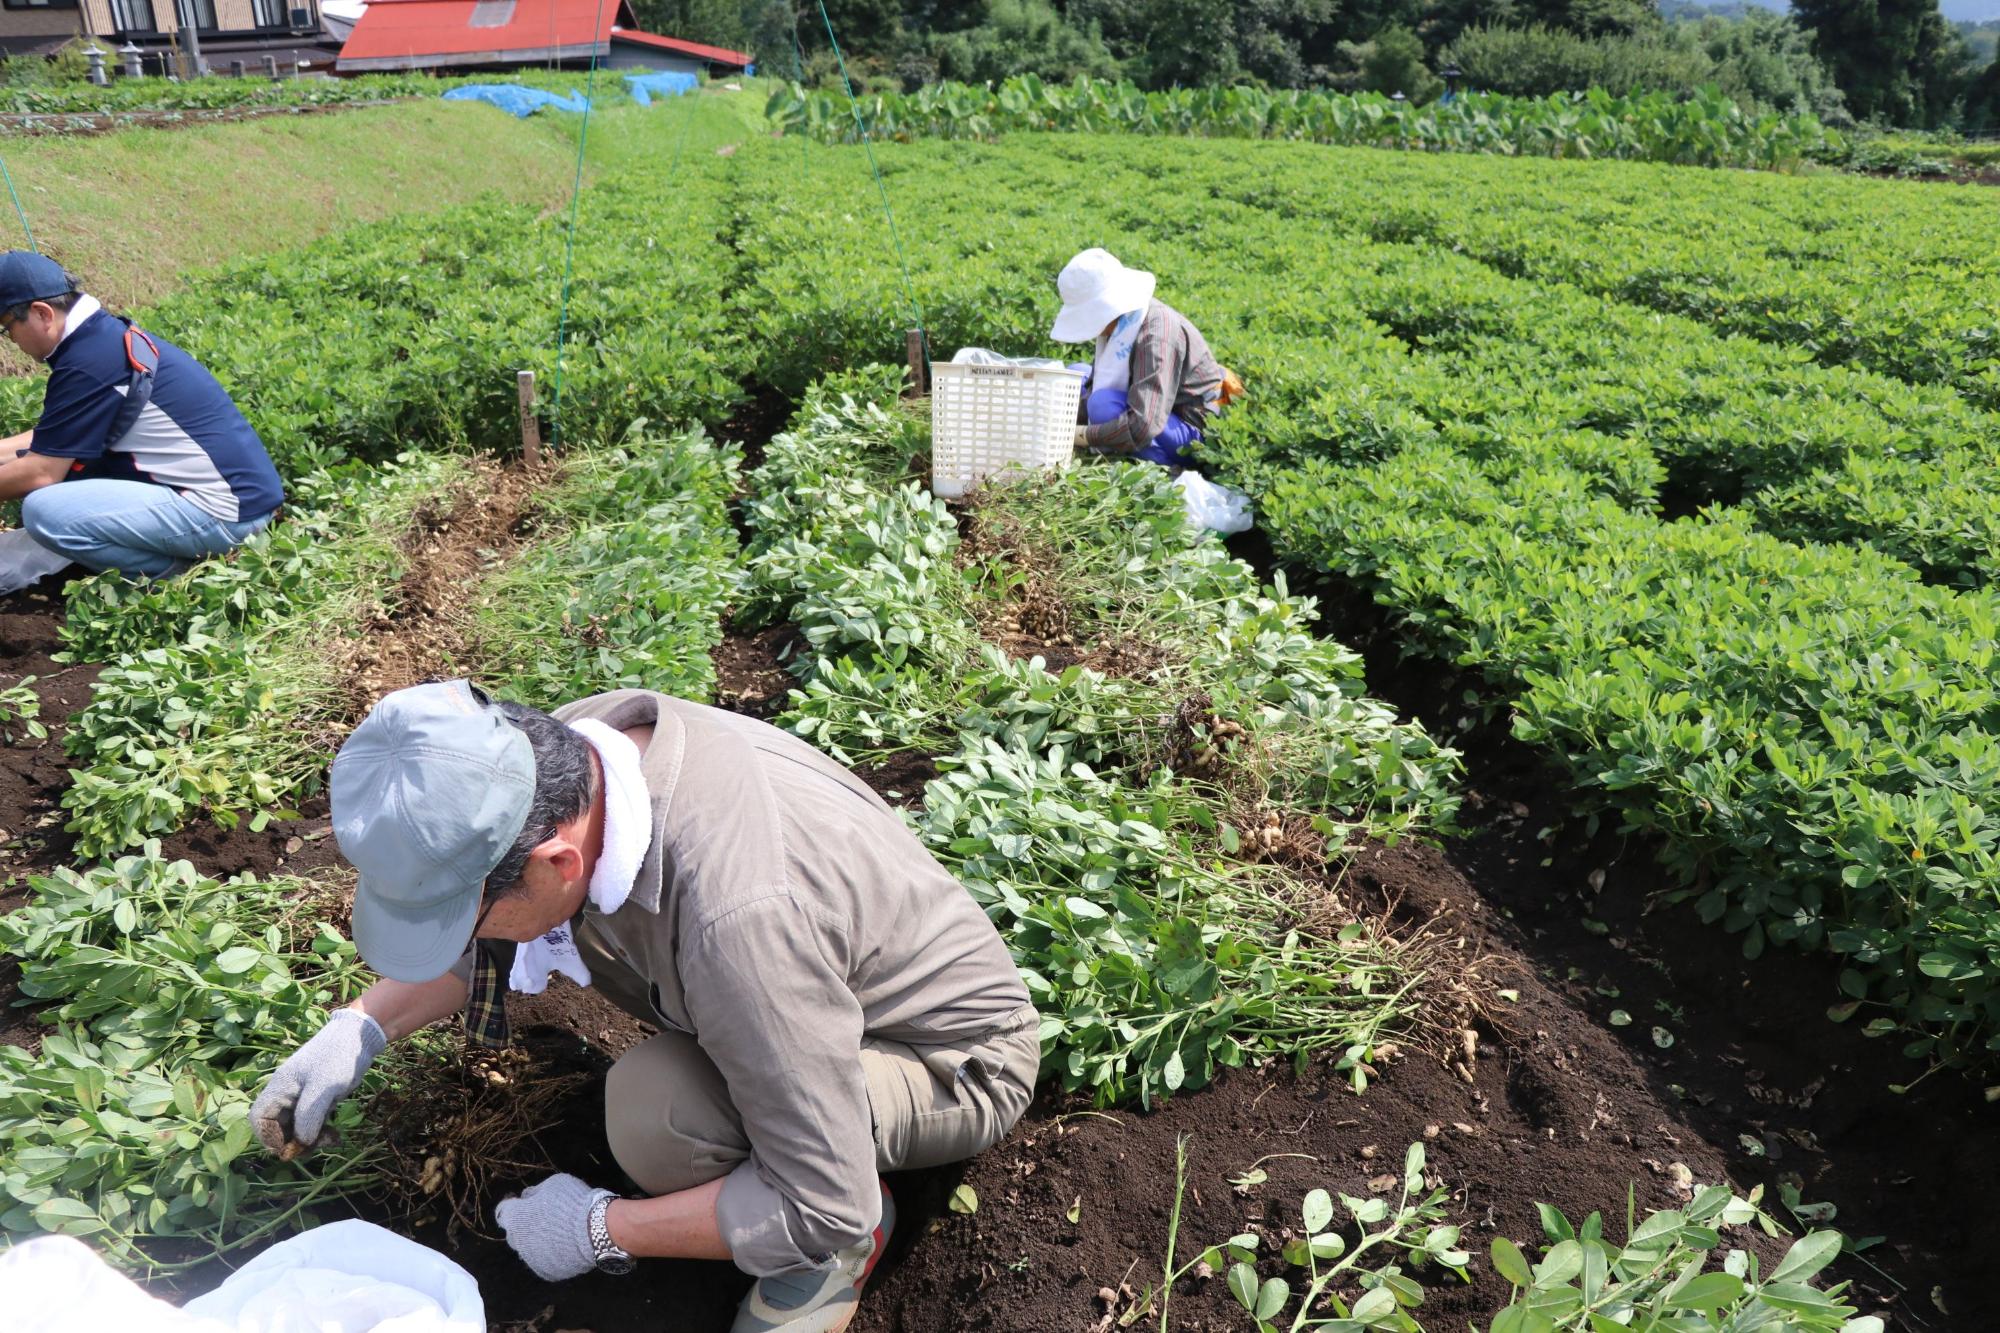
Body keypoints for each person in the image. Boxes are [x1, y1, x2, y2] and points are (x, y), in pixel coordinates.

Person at [250, 680, 1040, 1333]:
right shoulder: (564, 763)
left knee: (660, 1117)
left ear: (556, 866)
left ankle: (832, 1260)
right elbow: (497, 928)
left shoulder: (740, 924)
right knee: (663, 1091)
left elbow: (821, 1200)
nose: (467, 939)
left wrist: (600, 1227)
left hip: (943, 1059)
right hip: (797, 998)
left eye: (467, 918)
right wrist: (360, 1026)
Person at [0, 250, 284, 593]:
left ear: (42, 313)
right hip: (243, 499)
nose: (12, 341)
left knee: (46, 513)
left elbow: (41, 473)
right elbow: (53, 438)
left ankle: (176, 579)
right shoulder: (99, 338)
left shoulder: (88, 361)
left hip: (225, 513)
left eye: (7, 329)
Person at [1051, 247, 1240, 470]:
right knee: (1075, 374)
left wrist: (1080, 434)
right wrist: (1059, 416)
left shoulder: (1155, 338)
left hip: (1192, 431)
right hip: (1159, 410)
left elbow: (1143, 424)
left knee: (1102, 405)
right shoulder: (1125, 322)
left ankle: (1164, 465)